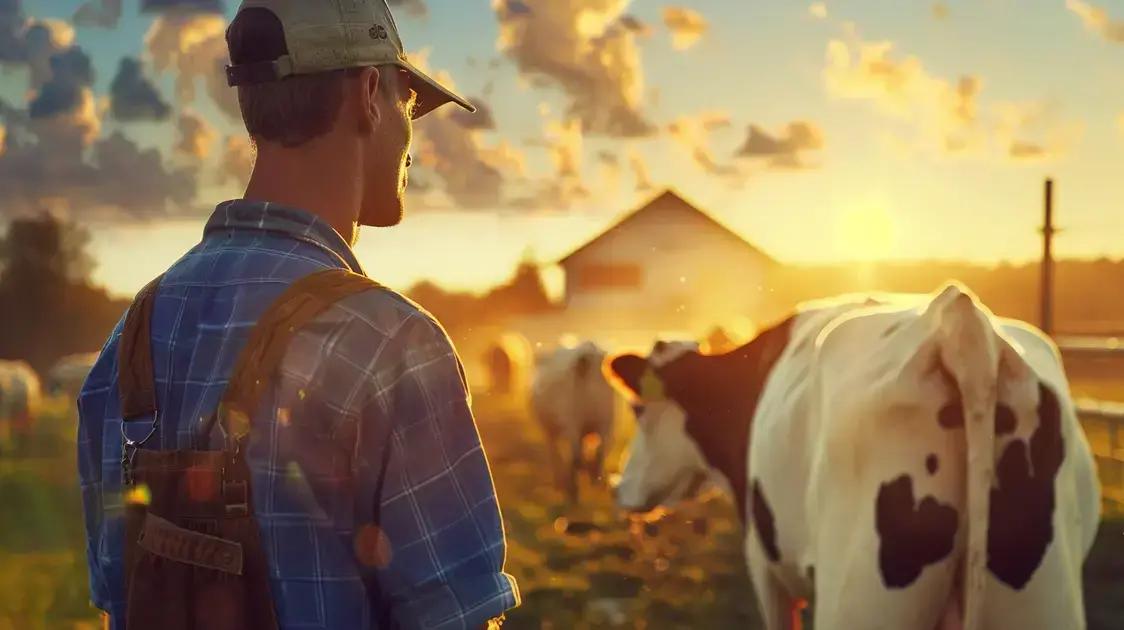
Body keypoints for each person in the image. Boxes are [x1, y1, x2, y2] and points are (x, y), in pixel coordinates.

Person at [76, 1, 519, 628]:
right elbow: (459, 618)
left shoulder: (131, 336)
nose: (409, 138)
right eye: (408, 105)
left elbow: (114, 601)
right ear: (369, 92)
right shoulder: (392, 343)